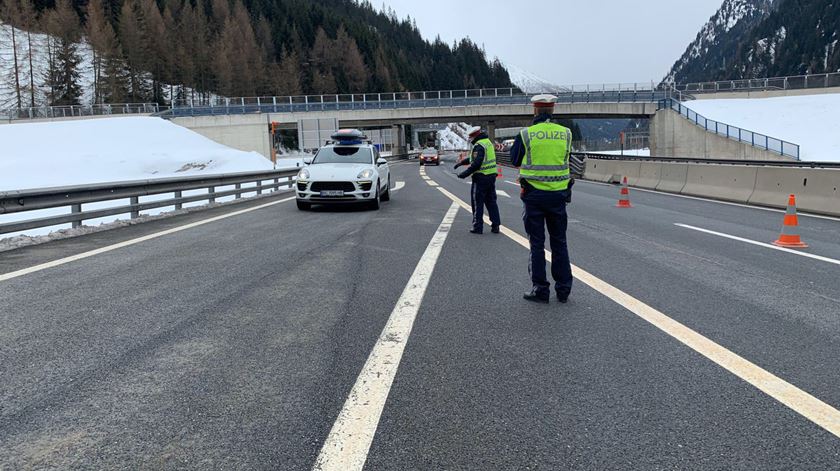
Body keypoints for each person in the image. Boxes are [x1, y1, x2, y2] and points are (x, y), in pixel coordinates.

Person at [509, 94, 573, 304]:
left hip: (534, 196)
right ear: (553, 111)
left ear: (535, 111)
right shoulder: (566, 133)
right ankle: (563, 290)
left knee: (536, 244)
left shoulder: (526, 134)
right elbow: (565, 159)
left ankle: (541, 289)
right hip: (559, 196)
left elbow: (515, 159)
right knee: (559, 243)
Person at [454, 126, 501, 234]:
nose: (470, 139)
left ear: (474, 136)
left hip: (480, 178)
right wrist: (461, 163)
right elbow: (474, 159)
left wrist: (464, 174)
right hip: (491, 177)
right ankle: (496, 225)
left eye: (470, 137)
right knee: (491, 202)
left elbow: (477, 163)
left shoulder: (479, 146)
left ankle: (477, 226)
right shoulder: (487, 142)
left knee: (477, 203)